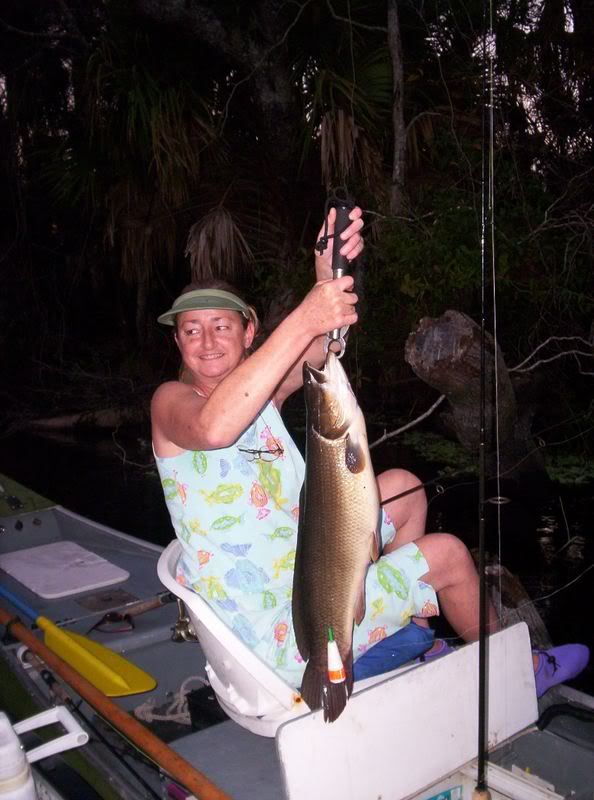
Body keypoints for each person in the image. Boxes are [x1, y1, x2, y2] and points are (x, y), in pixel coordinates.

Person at [151, 207, 589, 700]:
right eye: (192, 330)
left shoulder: (262, 397)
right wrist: (303, 317)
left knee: (403, 487)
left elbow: (316, 351)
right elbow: (213, 429)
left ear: (249, 333)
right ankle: (516, 671)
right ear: (177, 341)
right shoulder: (172, 404)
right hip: (285, 626)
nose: (207, 341)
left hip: (306, 557)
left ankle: (405, 630)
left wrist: (325, 275)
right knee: (448, 554)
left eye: (221, 326)